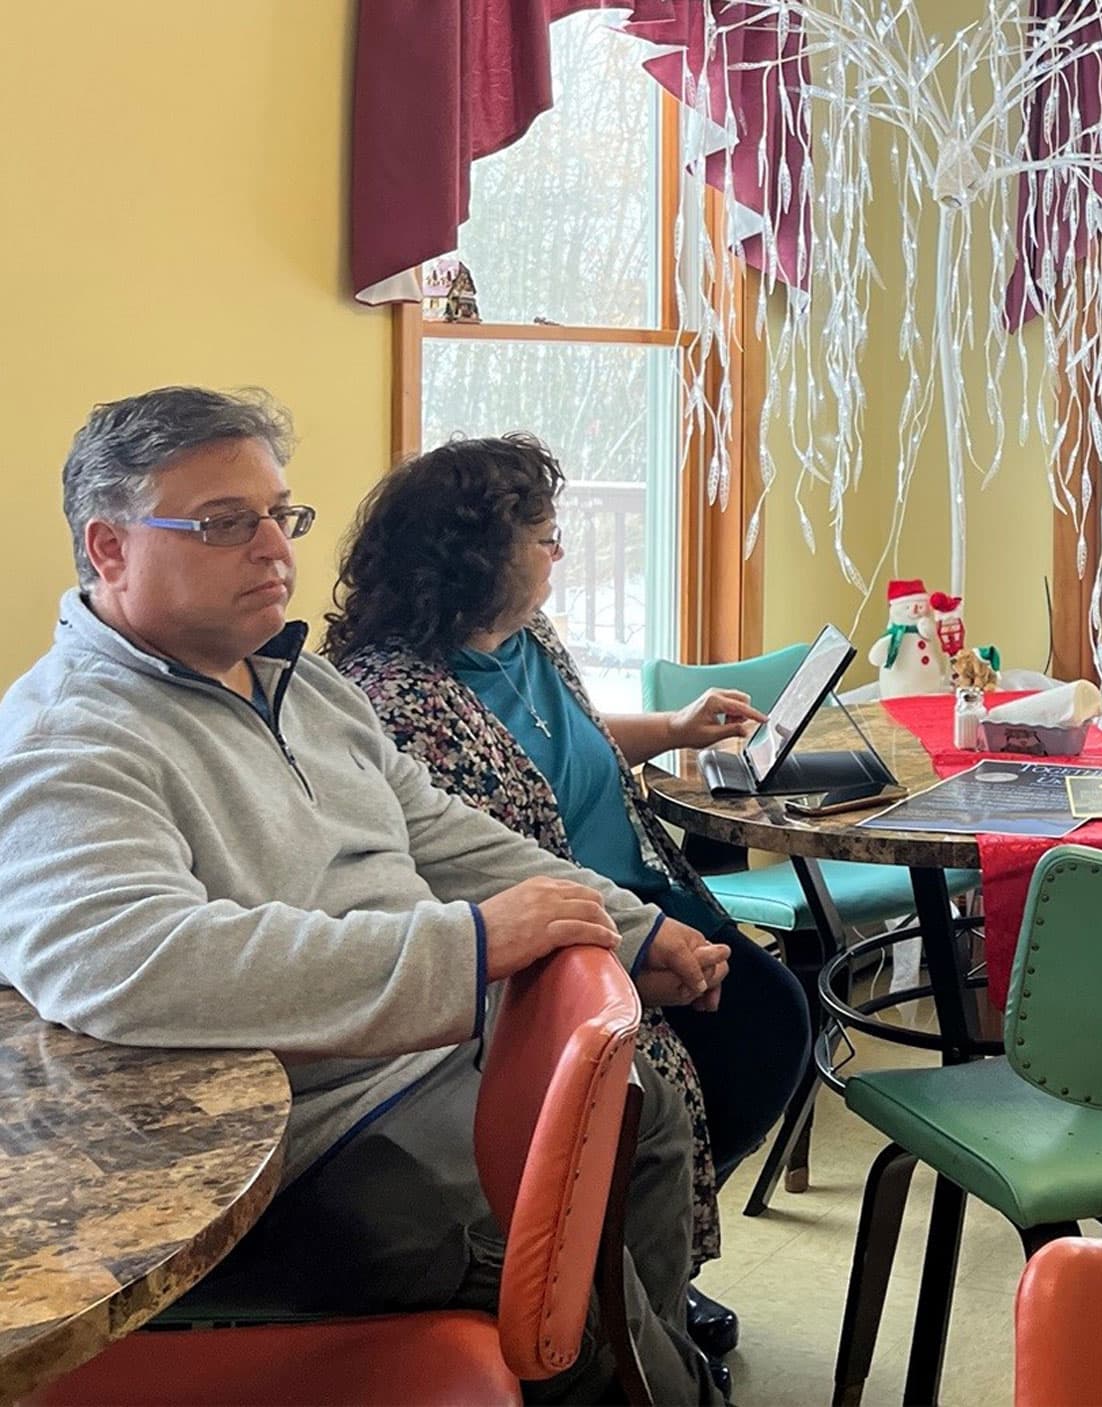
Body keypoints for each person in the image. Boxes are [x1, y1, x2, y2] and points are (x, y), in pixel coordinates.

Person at [0, 388, 735, 1402]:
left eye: (279, 515)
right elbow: (126, 964)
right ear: (110, 548)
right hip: (298, 1142)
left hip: (431, 1056)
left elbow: (438, 830)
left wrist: (630, 925)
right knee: (553, 1262)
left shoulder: (298, 680)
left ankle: (640, 1371)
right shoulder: (71, 739)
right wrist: (470, 947)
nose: (274, 550)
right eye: (224, 523)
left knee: (641, 1122)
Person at [325, 434, 812, 1374]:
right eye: (544, 536)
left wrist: (670, 729)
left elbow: (570, 742)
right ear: (473, 559)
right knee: (662, 1092)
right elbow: (464, 867)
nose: (560, 553)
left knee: (767, 1017)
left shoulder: (525, 636)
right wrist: (625, 948)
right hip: (559, 941)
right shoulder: (395, 699)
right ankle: (631, 1298)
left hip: (637, 886)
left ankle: (642, 1271)